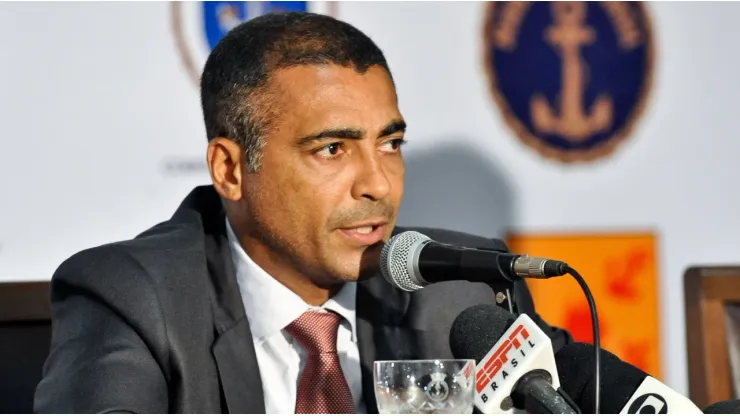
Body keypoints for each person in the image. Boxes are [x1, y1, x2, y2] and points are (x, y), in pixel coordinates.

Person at [34, 11, 571, 414]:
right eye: (332, 149)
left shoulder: (460, 291)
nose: (379, 184)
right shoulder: (135, 299)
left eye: (390, 144)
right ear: (230, 169)